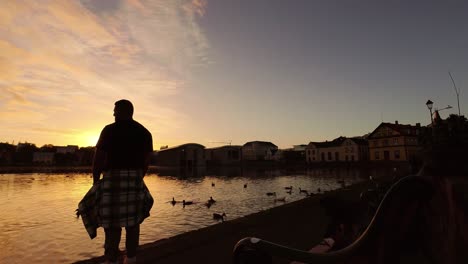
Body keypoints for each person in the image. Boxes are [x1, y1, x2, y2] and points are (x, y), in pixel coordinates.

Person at [93, 99, 153, 264]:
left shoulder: (109, 130)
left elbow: (98, 158)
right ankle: (131, 258)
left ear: (124, 111)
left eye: (115, 110)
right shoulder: (144, 132)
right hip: (134, 179)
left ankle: (112, 259)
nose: (113, 113)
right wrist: (138, 177)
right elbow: (147, 159)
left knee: (112, 223)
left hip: (112, 179)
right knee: (133, 222)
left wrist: (95, 181)